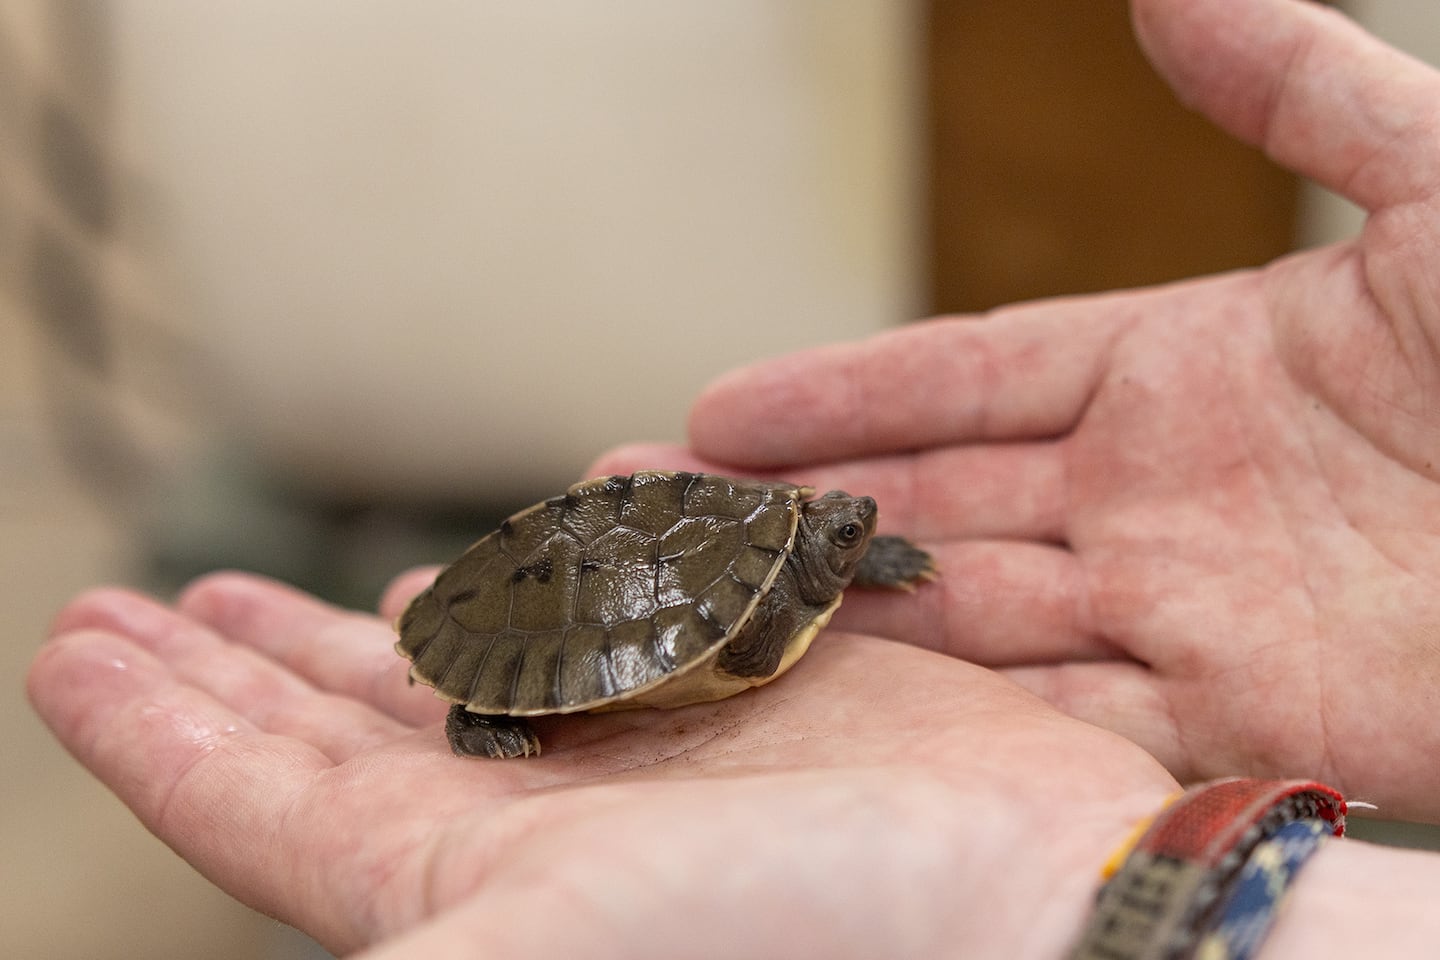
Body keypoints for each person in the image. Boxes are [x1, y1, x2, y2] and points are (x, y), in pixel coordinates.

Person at [26, 0, 1440, 956]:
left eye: (844, 531)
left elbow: (797, 561)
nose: (854, 531)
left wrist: (1032, 884)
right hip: (527, 607)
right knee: (588, 593)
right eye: (845, 530)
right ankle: (487, 696)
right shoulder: (761, 586)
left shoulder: (799, 572)